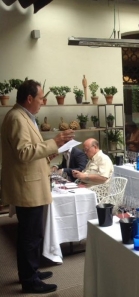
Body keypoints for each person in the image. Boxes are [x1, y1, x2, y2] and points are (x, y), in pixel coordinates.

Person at [1, 79, 75, 294]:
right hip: (27, 187)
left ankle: (31, 271)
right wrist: (54, 141)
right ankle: (29, 279)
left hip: (31, 184)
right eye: (42, 97)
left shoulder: (24, 116)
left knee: (33, 234)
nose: (44, 101)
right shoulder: (17, 118)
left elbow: (31, 151)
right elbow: (23, 152)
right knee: (29, 236)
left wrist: (52, 150)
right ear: (30, 98)